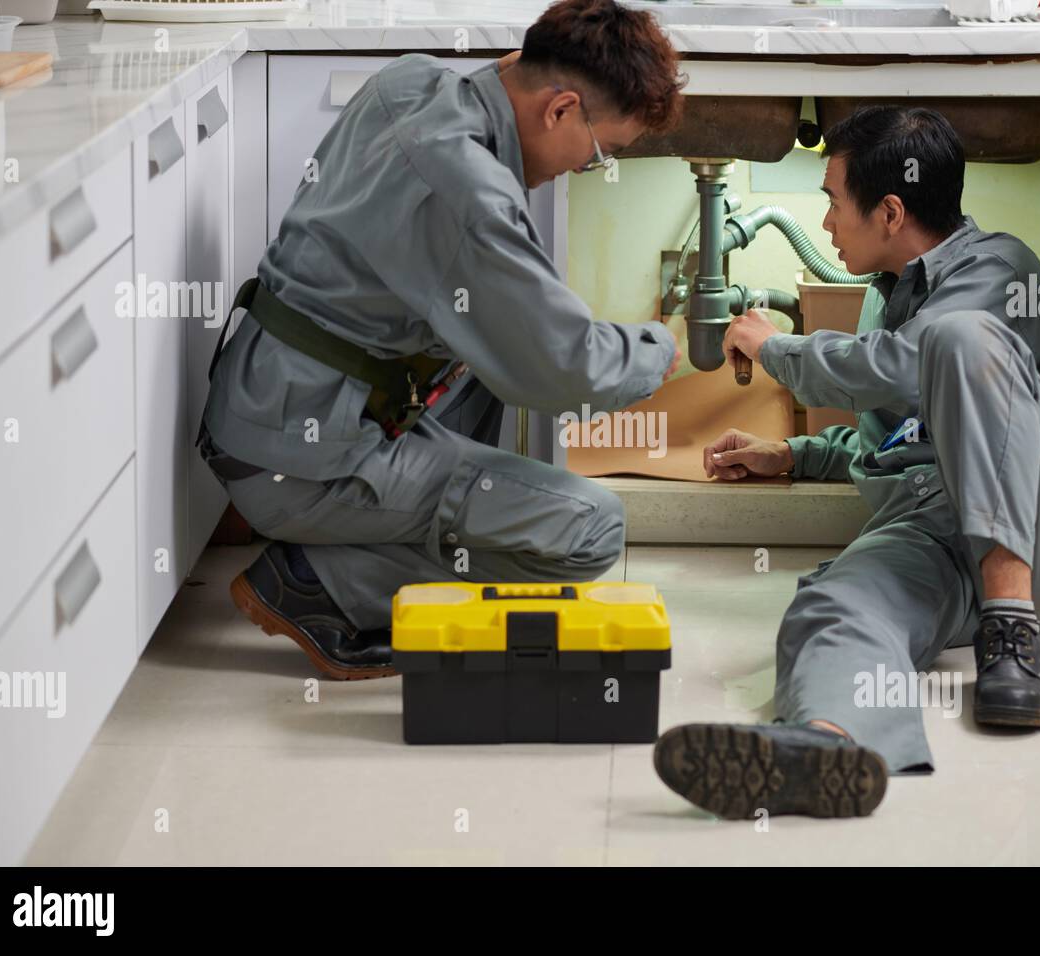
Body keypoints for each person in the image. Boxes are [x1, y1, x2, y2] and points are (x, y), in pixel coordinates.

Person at [197, 0, 684, 680]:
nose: (588, 165)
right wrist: (663, 347)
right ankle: (324, 582)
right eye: (600, 153)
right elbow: (568, 370)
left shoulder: (413, 81)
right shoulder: (467, 193)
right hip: (302, 457)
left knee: (494, 346)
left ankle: (383, 524)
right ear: (562, 108)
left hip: (259, 404)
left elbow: (523, 329)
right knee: (590, 527)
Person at [654, 105, 1040, 819]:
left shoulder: (1001, 268)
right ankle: (828, 743)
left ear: (890, 211)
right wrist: (797, 455)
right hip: (932, 533)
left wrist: (777, 348)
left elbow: (904, 371)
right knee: (834, 601)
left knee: (960, 339)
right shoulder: (881, 301)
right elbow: (897, 445)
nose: (828, 222)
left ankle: (1011, 632)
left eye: (833, 202)